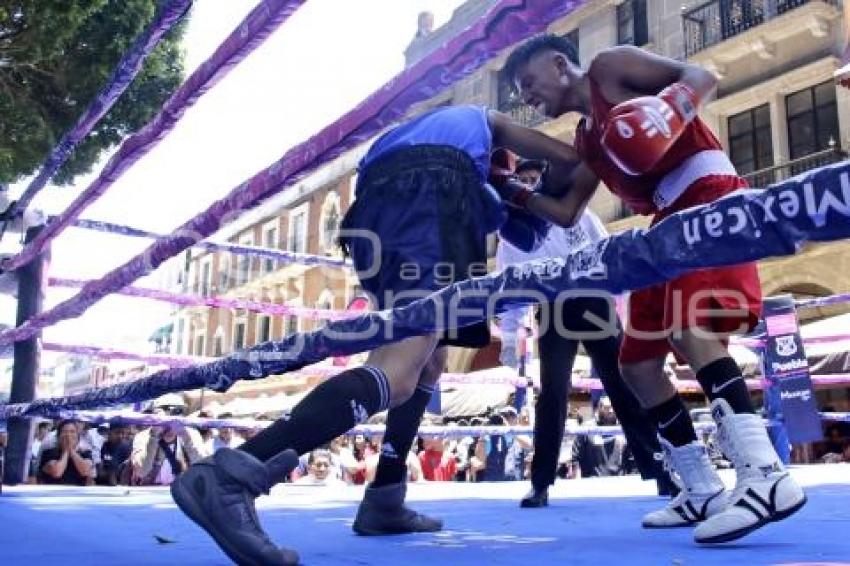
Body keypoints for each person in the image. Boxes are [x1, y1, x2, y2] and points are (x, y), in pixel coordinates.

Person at [169, 104, 579, 565]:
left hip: (378, 211)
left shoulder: (429, 135)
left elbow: (527, 237)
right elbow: (568, 167)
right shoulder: (481, 124)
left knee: (429, 358)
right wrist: (596, 149)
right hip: (430, 196)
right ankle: (231, 476)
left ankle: (385, 495)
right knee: (398, 371)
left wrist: (508, 195)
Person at [502, 35, 805, 543]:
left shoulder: (609, 67)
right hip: (663, 224)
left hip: (709, 197)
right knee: (636, 363)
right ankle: (702, 486)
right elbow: (567, 211)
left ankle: (766, 477)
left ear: (559, 64)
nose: (526, 97)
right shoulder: (587, 139)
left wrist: (662, 117)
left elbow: (704, 76)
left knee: (693, 330)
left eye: (528, 83)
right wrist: (512, 194)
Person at [493, 153, 675, 507]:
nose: (529, 186)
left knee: (623, 385)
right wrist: (510, 338)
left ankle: (661, 470)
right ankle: (541, 483)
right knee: (552, 393)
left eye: (534, 180)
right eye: (522, 181)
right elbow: (509, 287)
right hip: (551, 306)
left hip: (593, 299)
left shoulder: (577, 215)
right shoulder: (512, 236)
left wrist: (623, 301)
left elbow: (608, 252)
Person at [38, 419, 94, 486]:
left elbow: (86, 471)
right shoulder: (49, 453)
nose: (68, 435)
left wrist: (71, 451)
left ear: (77, 436)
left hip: (78, 494)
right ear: (58, 436)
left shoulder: (85, 453)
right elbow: (56, 472)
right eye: (64, 431)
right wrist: (66, 451)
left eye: (72, 432)